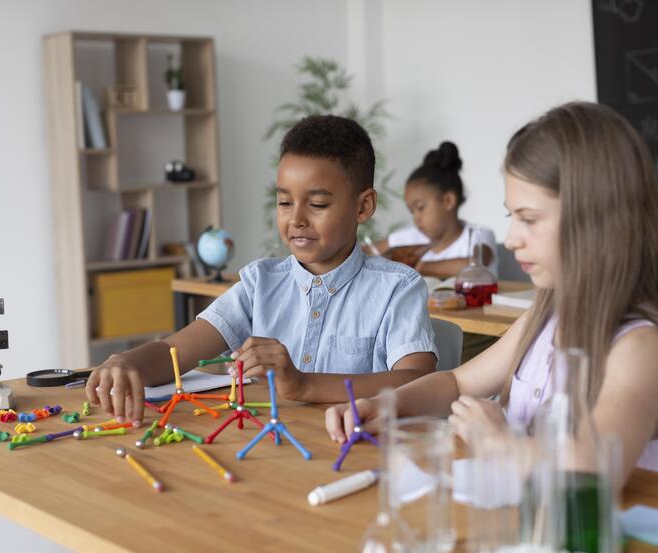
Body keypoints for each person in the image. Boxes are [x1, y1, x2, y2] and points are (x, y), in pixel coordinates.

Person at [326, 102, 658, 481]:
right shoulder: (544, 320)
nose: (512, 239)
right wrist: (386, 405)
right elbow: (456, 383)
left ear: (596, 221)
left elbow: (593, 473)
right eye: (512, 217)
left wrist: (498, 442)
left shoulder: (640, 347)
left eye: (529, 219)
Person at [87, 115, 437, 426]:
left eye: (317, 204)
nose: (296, 219)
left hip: (355, 456)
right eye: (284, 202)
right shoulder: (260, 283)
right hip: (269, 454)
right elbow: (175, 352)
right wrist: (125, 361)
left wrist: (303, 384)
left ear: (363, 206)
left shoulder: (397, 288)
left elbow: (417, 381)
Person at [375, 141, 498, 280]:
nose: (416, 218)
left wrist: (417, 266)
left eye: (421, 208)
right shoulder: (411, 238)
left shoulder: (478, 235)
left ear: (448, 201)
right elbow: (369, 251)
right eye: (412, 211)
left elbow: (475, 264)